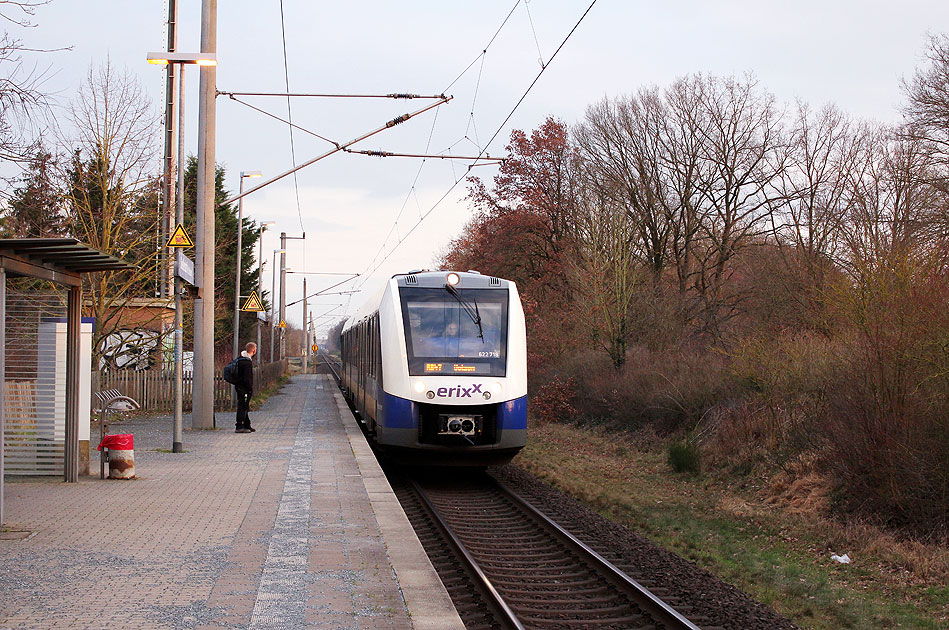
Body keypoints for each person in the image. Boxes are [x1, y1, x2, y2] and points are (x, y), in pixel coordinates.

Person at [235, 342, 257, 433]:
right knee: (243, 406)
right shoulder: (247, 362)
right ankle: (239, 426)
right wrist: (249, 388)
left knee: (244, 406)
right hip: (244, 388)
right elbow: (247, 377)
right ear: (254, 351)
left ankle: (247, 424)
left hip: (239, 386)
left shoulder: (240, 359)